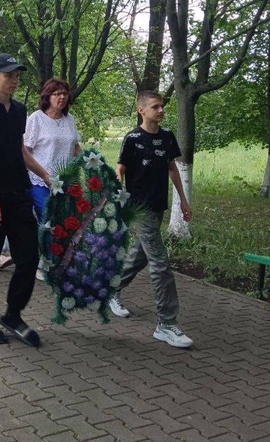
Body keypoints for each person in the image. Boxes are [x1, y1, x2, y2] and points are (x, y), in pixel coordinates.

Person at [0, 54, 50, 347]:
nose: (15, 80)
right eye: (9, 75)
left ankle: (13, 315)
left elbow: (20, 151)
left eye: (17, 75)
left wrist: (45, 174)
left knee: (28, 258)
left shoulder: (19, 111)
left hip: (18, 194)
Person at [111, 90, 194, 349]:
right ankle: (166, 324)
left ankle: (111, 288)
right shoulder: (133, 139)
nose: (161, 110)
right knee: (160, 264)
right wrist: (118, 191)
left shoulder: (167, 136)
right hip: (140, 208)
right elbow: (120, 168)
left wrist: (183, 200)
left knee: (140, 255)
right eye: (155, 106)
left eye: (162, 106)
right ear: (142, 110)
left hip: (158, 206)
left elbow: (172, 168)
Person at [24, 77, 82, 221]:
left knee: (66, 221)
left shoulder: (69, 119)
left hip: (65, 180)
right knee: (48, 218)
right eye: (57, 94)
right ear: (47, 96)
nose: (62, 97)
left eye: (65, 93)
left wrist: (93, 165)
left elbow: (75, 148)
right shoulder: (36, 118)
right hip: (40, 180)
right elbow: (25, 151)